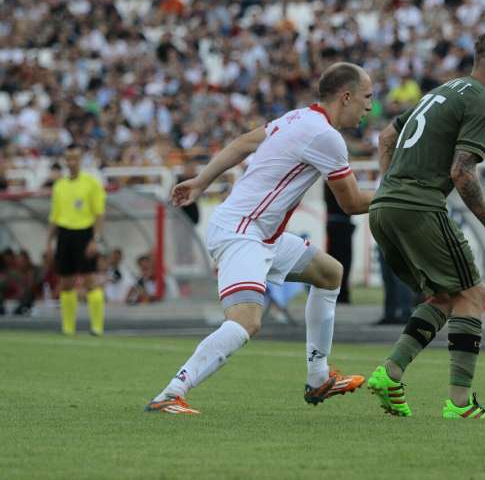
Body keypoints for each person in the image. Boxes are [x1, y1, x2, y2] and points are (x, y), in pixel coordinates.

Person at [145, 63, 375, 414]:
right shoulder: (326, 136)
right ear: (346, 96)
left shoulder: (296, 118)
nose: (370, 107)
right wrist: (404, 195)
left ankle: (318, 378)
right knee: (246, 320)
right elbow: (352, 202)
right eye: (367, 97)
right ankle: (170, 393)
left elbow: (242, 143)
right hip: (242, 231)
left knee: (329, 273)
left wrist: (202, 181)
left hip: (260, 233)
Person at [366, 32, 485, 420]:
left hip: (384, 206)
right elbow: (462, 172)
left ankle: (391, 373)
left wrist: (390, 186)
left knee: (444, 295)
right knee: (473, 293)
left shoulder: (443, 91)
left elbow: (387, 135)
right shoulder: (481, 100)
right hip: (418, 205)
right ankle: (459, 403)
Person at [45, 144, 107, 336]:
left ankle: (97, 327)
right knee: (65, 282)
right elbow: (54, 217)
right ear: (65, 160)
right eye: (68, 158)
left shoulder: (91, 183)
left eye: (75, 158)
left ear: (80, 160)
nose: (71, 162)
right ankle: (68, 328)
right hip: (64, 235)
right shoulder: (59, 186)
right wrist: (48, 242)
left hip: (84, 233)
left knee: (90, 281)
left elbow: (99, 214)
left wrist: (95, 239)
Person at [324, 185, 354, 304]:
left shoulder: (328, 180)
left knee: (337, 260)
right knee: (344, 261)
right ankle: (342, 294)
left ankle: (338, 293)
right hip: (341, 224)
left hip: (335, 222)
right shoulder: (338, 178)